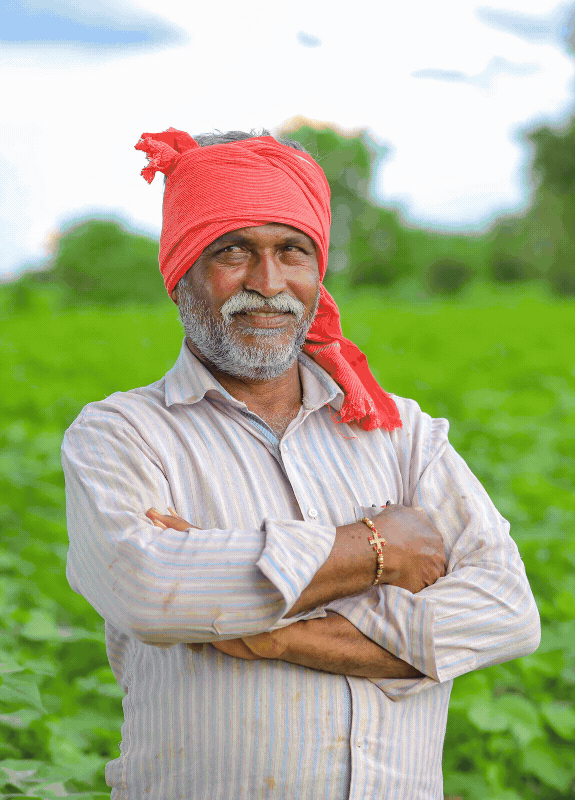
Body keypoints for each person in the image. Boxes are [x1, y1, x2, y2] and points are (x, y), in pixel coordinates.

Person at [61, 127, 541, 798]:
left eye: (292, 251)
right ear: (180, 274)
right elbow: (150, 590)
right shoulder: (122, 435)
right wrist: (375, 550)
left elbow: (507, 612)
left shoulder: (400, 432)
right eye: (232, 251)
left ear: (318, 273)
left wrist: (280, 634)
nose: (268, 283)